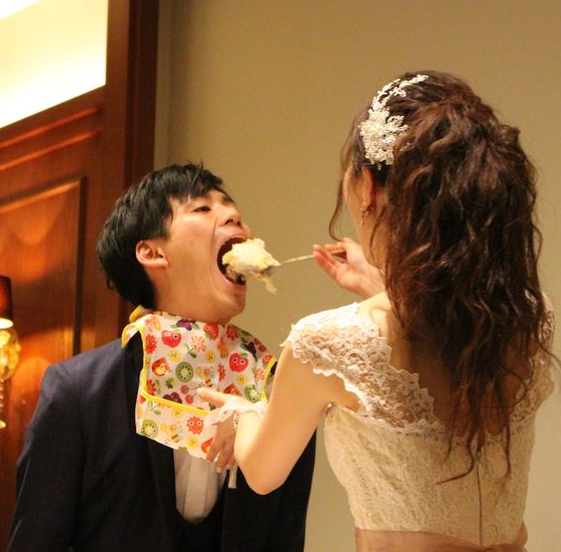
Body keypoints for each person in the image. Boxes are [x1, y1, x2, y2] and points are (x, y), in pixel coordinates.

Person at [200, 72, 556, 551]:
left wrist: (242, 413)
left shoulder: (326, 345)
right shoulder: (530, 315)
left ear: (366, 186)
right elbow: (436, 335)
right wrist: (382, 284)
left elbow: (263, 473)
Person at [8, 163, 315, 552]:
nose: (234, 215)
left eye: (231, 207)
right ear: (152, 253)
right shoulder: (79, 392)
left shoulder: (279, 395)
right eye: (202, 208)